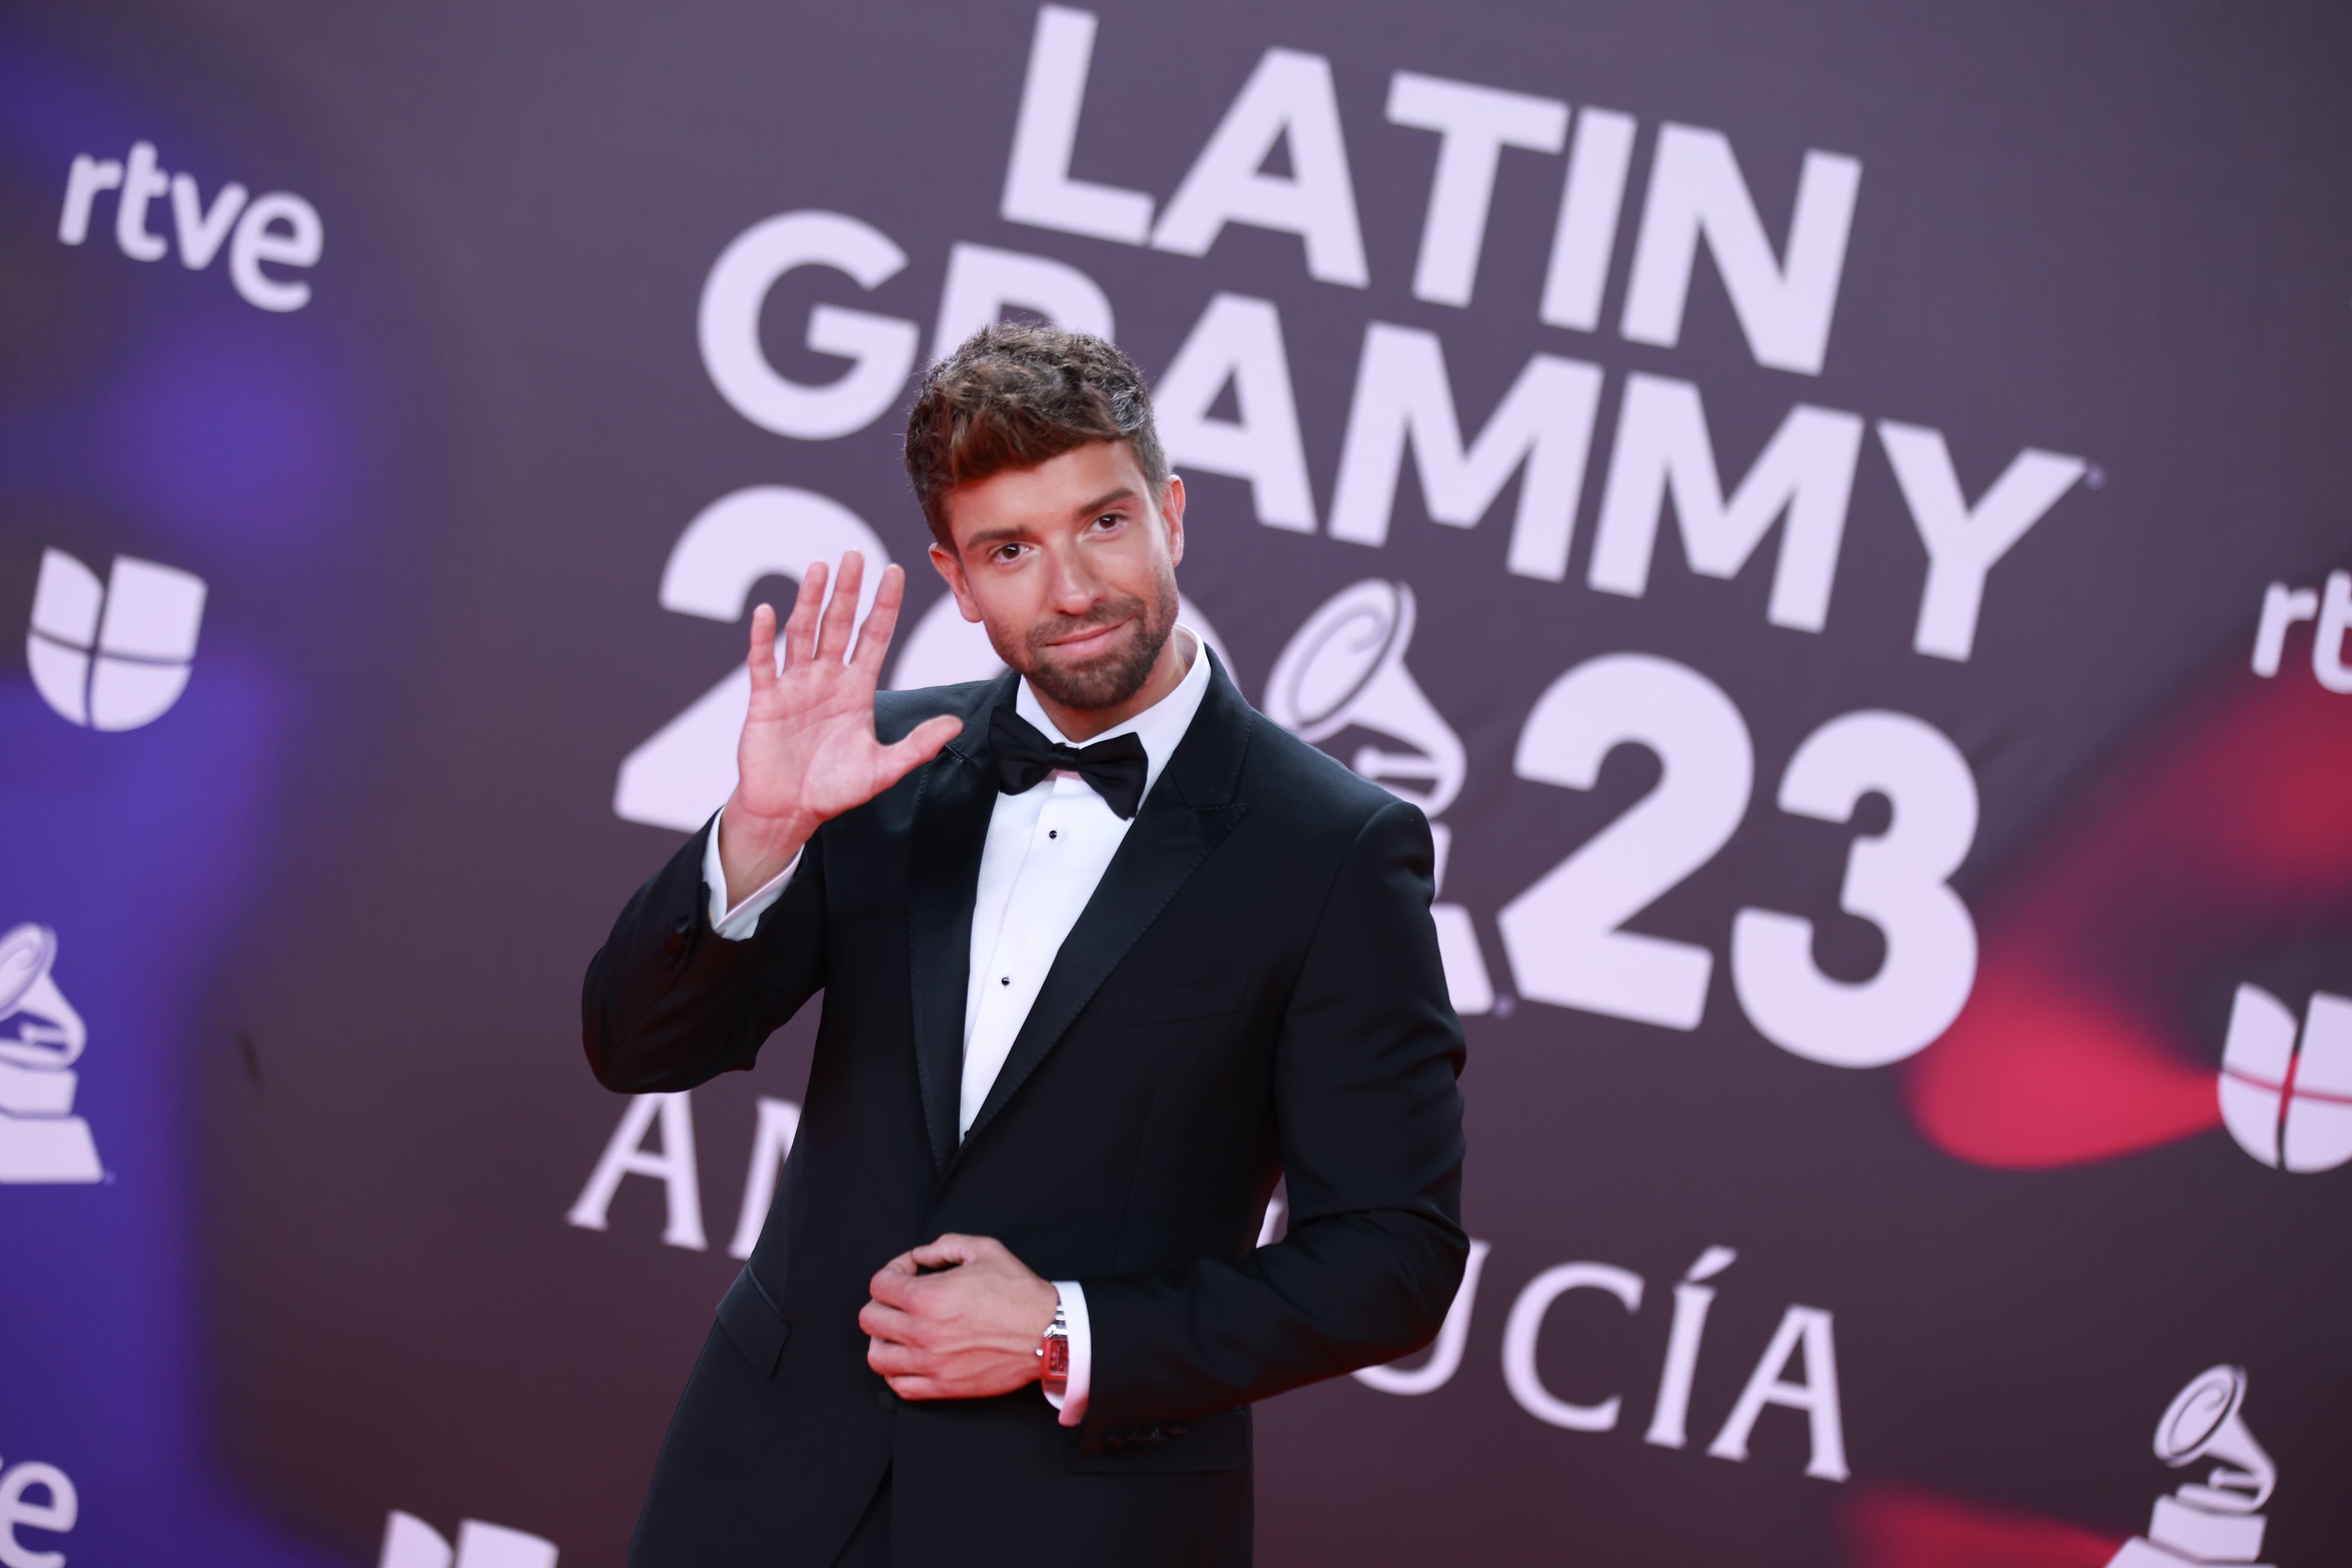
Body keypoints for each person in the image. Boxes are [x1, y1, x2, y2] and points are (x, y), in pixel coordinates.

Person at [582, 324, 1467, 1566]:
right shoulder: (877, 764)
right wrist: (761, 832)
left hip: (1082, 1520)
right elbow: (637, 1044)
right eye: (1012, 549)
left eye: (1103, 523)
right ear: (956, 577)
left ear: (1169, 511)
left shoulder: (1335, 847)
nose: (1072, 589)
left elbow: (1394, 1256)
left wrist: (1066, 1329)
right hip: (761, 1490)